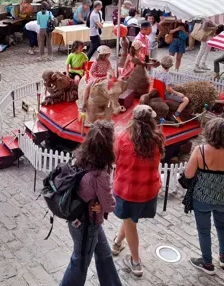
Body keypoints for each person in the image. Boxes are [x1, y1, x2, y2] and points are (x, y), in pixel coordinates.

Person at [59, 121, 122, 286]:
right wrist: (105, 204)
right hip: (87, 224)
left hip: (82, 219)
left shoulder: (81, 158)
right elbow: (109, 205)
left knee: (104, 255)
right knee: (79, 263)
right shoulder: (100, 175)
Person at [111, 105, 163, 277]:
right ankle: (118, 243)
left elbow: (114, 159)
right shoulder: (158, 139)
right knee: (129, 220)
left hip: (127, 190)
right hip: (148, 189)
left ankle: (135, 261)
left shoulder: (122, 138)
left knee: (130, 222)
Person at [184, 119, 224, 275]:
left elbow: (188, 174)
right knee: (222, 226)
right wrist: (223, 190)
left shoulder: (200, 151)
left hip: (202, 198)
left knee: (204, 230)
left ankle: (207, 263)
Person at [152, 55, 189, 123]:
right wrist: (178, 93)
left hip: (158, 92)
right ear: (171, 65)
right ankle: (176, 115)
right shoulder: (168, 76)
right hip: (166, 94)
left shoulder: (157, 72)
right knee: (186, 100)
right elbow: (168, 89)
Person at [81, 45, 114, 111]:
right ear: (103, 55)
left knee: (112, 87)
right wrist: (94, 79)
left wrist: (113, 76)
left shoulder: (107, 62)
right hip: (96, 77)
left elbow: (110, 69)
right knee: (88, 86)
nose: (108, 56)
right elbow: (90, 72)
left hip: (104, 78)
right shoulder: (96, 62)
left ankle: (111, 102)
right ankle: (84, 103)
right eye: (107, 55)